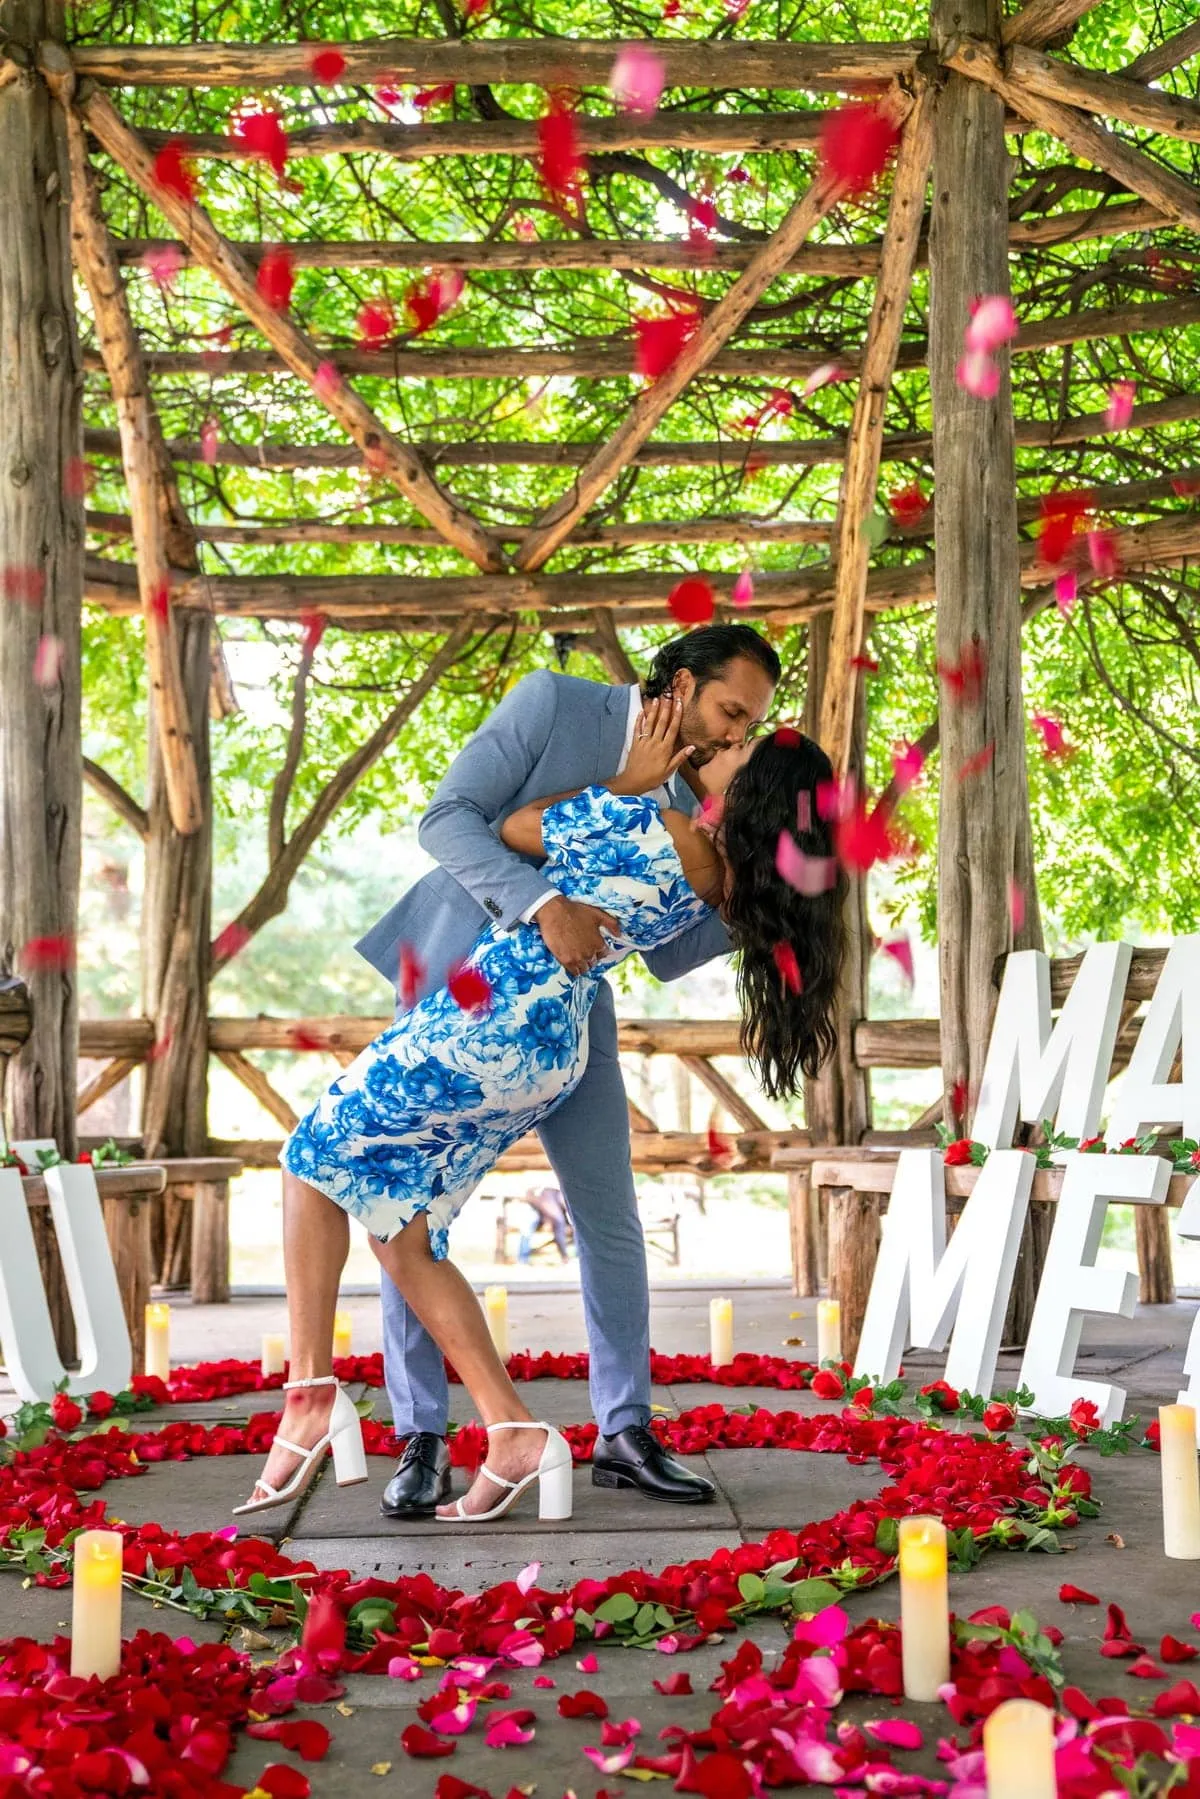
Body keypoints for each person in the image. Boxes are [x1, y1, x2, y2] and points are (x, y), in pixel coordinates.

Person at [237, 703, 846, 1525]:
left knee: (308, 1156)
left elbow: (516, 828)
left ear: (758, 787)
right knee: (402, 1230)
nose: (727, 745)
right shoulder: (727, 885)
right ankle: (513, 1432)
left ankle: (310, 1396)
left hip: (489, 1013)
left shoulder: (658, 823)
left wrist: (625, 780)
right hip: (548, 1048)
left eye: (744, 746)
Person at [363, 623, 783, 1521]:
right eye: (729, 711)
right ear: (679, 683)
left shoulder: (691, 794)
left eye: (747, 726)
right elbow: (448, 820)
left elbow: (664, 953)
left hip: (570, 1011)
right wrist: (544, 902)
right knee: (412, 1206)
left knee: (610, 1213)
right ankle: (421, 1434)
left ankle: (625, 1431)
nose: (732, 735)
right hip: (456, 980)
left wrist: (763, 896)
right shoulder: (553, 703)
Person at [517, 1186, 571, 1263]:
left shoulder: (555, 1197)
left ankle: (523, 1259)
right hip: (533, 1208)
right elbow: (558, 1220)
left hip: (541, 1208)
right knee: (527, 1232)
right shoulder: (550, 1197)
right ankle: (522, 1259)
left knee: (527, 1231)